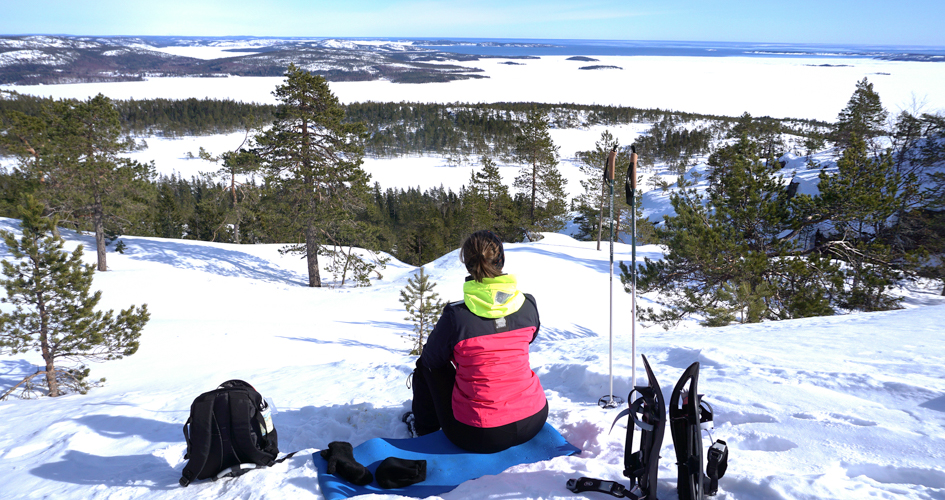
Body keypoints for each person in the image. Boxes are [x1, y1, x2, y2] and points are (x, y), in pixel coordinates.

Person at [409, 230, 548, 453]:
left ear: (468, 265)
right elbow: (528, 339)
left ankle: (424, 428)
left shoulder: (456, 316)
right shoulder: (527, 303)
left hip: (480, 434)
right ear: (501, 260)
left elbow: (431, 360)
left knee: (426, 366)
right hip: (534, 419)